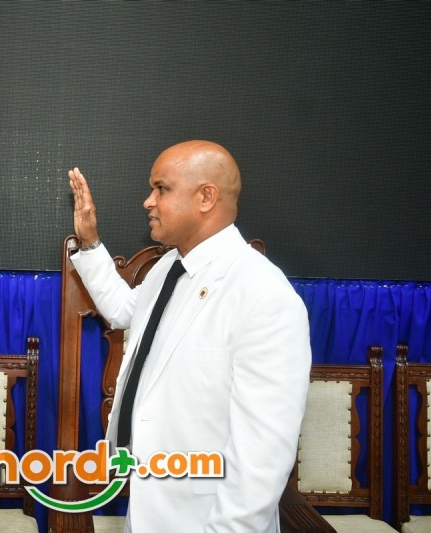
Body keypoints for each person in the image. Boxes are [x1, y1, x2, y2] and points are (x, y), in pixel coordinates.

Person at [67, 140, 311, 532]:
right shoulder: (169, 267)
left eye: (161, 188)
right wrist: (91, 242)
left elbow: (261, 458)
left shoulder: (264, 294)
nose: (148, 201)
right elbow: (123, 311)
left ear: (206, 198)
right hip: (148, 507)